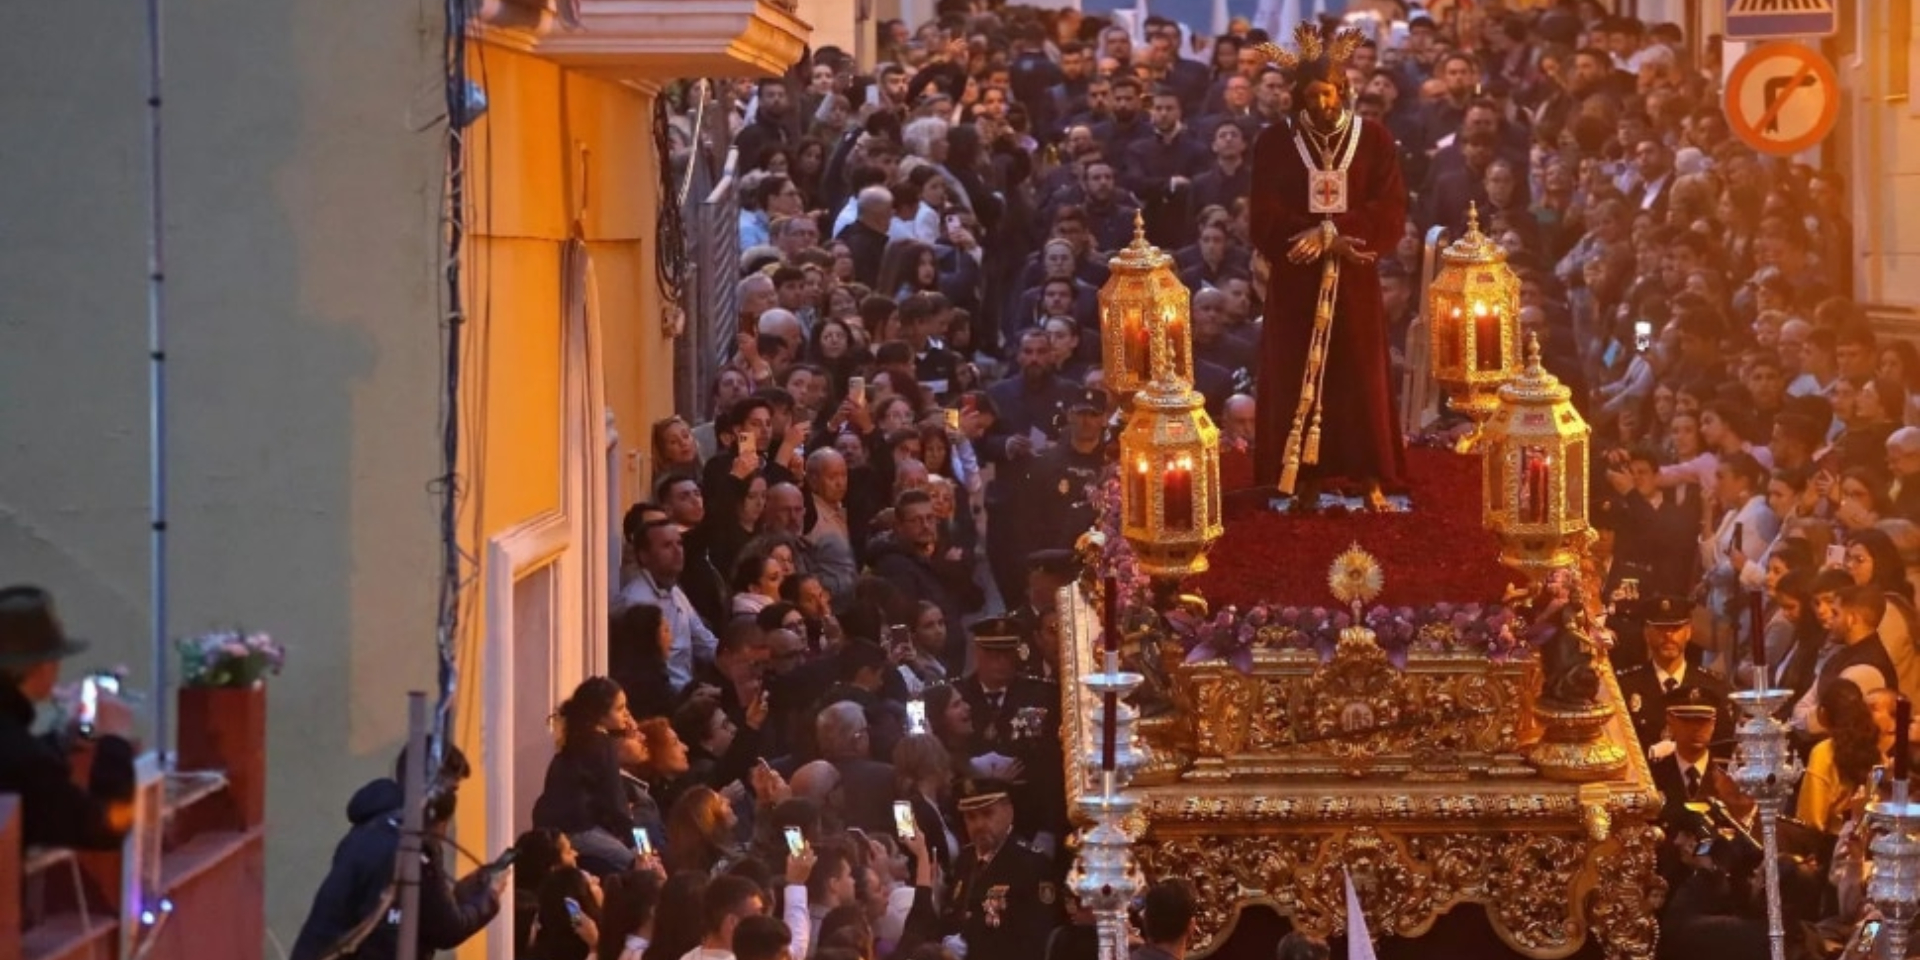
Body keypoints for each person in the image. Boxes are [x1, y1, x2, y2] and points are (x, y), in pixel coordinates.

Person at [1248, 24, 1408, 508]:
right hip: (1297, 282)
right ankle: (1303, 478)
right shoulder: (1275, 143)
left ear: (1345, 91)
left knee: (1358, 374)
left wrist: (1333, 234)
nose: (1322, 104)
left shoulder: (1374, 139)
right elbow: (1263, 213)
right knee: (1297, 370)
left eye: (1330, 93)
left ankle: (1369, 474)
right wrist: (1307, 234)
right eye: (1313, 95)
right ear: (1298, 97)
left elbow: (1391, 208)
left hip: (1354, 278)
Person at [289, 742, 502, 960]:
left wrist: (462, 896)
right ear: (435, 797)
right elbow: (447, 930)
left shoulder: (368, 831)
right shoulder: (411, 846)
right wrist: (490, 897)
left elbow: (425, 913)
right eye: (451, 793)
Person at [0, 585, 138, 850]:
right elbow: (108, 825)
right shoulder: (23, 759)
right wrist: (116, 741)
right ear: (42, 665)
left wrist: (59, 741)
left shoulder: (17, 747)